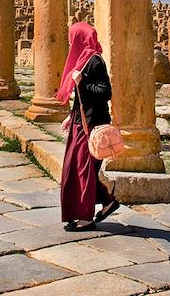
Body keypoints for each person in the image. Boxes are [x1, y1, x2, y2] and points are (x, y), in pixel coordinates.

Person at [57, 22, 120, 232]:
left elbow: (105, 91)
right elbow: (81, 98)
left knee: (84, 171)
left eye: (73, 37)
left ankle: (86, 217)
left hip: (92, 126)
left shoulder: (94, 60)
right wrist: (71, 116)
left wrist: (82, 82)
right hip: (80, 122)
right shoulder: (83, 60)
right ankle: (107, 201)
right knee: (74, 170)